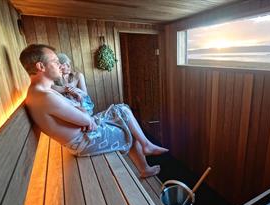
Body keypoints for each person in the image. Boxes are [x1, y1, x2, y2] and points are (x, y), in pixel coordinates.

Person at [20, 44, 168, 178]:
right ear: (41, 66)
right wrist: (83, 114)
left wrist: (81, 111)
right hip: (85, 142)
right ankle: (145, 159)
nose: (60, 65)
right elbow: (85, 118)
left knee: (121, 109)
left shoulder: (41, 91)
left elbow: (81, 110)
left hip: (85, 134)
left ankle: (146, 151)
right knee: (128, 129)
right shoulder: (45, 96)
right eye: (55, 61)